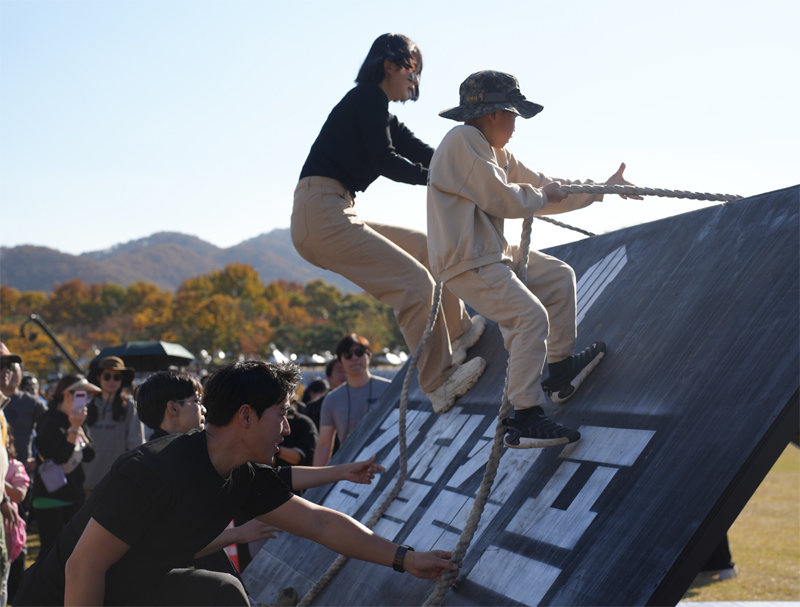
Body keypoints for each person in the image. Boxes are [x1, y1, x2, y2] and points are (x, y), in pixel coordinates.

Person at [14, 361, 456, 606]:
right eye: (281, 414)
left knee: (222, 590)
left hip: (136, 590)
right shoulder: (152, 470)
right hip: (63, 599)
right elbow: (82, 568)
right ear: (245, 415)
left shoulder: (241, 474)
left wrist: (406, 559)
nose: (287, 428)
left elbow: (320, 524)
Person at [427, 70, 638, 449]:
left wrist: (602, 188)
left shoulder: (495, 153)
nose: (515, 125)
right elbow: (502, 197)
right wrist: (542, 196)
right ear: (494, 114)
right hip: (466, 258)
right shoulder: (463, 140)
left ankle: (558, 371)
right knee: (529, 317)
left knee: (558, 277)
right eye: (513, 116)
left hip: (490, 252)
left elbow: (544, 187)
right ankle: (524, 415)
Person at [292, 32, 486, 415]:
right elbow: (385, 160)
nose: (414, 84)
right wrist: (439, 180)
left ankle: (458, 334)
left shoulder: (377, 111)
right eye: (413, 74)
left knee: (427, 248)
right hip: (320, 211)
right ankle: (439, 383)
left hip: (332, 209)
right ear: (391, 65)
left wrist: (471, 169)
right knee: (414, 286)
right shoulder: (367, 98)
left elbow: (420, 152)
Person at [31, 374, 99, 557]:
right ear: (68, 395)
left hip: (74, 494)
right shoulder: (49, 420)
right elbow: (60, 456)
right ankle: (39, 586)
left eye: (88, 396)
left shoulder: (78, 419)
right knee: (50, 551)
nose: (86, 400)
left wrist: (79, 428)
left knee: (73, 552)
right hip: (50, 495)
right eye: (82, 395)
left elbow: (90, 454)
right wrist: (74, 428)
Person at [313, 334, 390, 466]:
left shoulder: (390, 390)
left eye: (359, 353)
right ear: (341, 361)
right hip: (349, 469)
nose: (354, 358)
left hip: (387, 462)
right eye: (348, 355)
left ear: (369, 355)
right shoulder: (332, 399)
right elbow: (324, 445)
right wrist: (316, 481)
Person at [82, 356, 145, 491]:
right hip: (85, 480)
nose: (112, 381)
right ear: (99, 377)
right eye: (107, 376)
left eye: (117, 377)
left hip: (115, 482)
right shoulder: (86, 406)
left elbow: (136, 445)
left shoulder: (129, 407)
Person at [0, 347, 47, 471]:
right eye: (0, 365)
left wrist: (39, 459)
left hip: (20, 472)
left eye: (10, 366)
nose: (6, 371)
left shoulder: (31, 402)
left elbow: (51, 431)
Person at [304, 358, 345, 430]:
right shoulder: (314, 408)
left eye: (347, 371)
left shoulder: (360, 402)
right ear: (329, 377)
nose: (345, 375)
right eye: (340, 371)